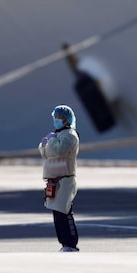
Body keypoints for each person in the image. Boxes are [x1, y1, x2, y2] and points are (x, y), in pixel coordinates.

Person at [40, 104, 81, 252]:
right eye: (55, 117)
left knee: (65, 212)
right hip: (54, 180)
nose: (56, 120)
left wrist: (49, 142)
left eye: (60, 118)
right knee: (57, 213)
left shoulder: (69, 135)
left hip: (65, 180)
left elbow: (59, 151)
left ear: (67, 120)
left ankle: (70, 243)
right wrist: (48, 144)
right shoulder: (58, 135)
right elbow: (44, 152)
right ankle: (63, 243)